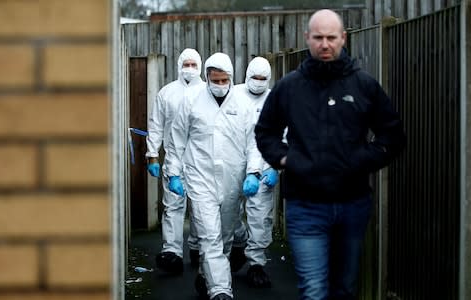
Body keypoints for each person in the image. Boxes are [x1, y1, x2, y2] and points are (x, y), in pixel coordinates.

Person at [254, 9, 406, 300]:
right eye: (319, 37)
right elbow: (265, 132)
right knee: (314, 290)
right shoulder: (290, 87)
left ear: (343, 38)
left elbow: (393, 135)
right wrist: (286, 159)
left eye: (331, 38)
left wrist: (363, 159)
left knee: (344, 289)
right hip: (305, 204)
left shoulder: (363, 85)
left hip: (352, 204)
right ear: (307, 38)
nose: (325, 44)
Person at [165, 52, 262, 300]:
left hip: (232, 178)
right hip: (200, 177)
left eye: (224, 80)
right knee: (209, 234)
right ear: (207, 77)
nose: (220, 85)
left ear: (231, 78)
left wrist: (253, 171)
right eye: (215, 80)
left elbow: (254, 142)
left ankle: (205, 275)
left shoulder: (242, 105)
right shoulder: (191, 100)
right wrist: (173, 172)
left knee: (225, 236)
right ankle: (221, 290)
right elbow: (176, 141)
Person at [145, 48, 205, 273]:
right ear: (179, 65)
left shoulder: (208, 91)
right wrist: (152, 155)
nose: (189, 68)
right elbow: (156, 125)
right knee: (172, 207)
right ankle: (171, 252)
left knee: (200, 207)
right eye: (186, 64)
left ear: (199, 66)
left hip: (201, 159)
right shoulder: (166, 93)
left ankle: (198, 247)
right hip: (174, 158)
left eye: (193, 64)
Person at [234, 56, 279, 288]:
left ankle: (256, 264)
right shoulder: (233, 94)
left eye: (263, 79)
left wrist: (274, 167)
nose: (258, 83)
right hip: (233, 164)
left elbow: (284, 134)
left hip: (263, 165)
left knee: (260, 216)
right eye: (255, 78)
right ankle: (239, 242)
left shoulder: (275, 99)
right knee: (230, 211)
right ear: (247, 75)